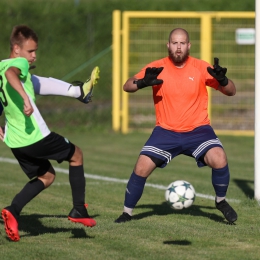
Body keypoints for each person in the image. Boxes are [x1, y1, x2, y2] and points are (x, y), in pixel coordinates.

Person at [115, 28, 238, 224]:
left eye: (182, 43)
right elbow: (127, 85)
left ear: (189, 45)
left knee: (219, 157)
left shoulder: (201, 67)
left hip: (199, 130)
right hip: (165, 131)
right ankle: (126, 213)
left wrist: (223, 80)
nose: (178, 47)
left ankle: (221, 201)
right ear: (168, 45)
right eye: (174, 43)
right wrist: (143, 82)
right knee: (141, 167)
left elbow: (231, 91)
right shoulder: (157, 67)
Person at [0, 25, 99, 242]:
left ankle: (13, 211)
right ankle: (78, 210)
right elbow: (11, 75)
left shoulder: (0, 67)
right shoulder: (16, 65)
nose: (34, 55)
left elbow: (37, 84)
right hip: (36, 136)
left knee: (47, 176)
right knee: (77, 155)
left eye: (35, 51)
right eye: (30, 51)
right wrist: (26, 99)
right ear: (16, 49)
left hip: (16, 141)